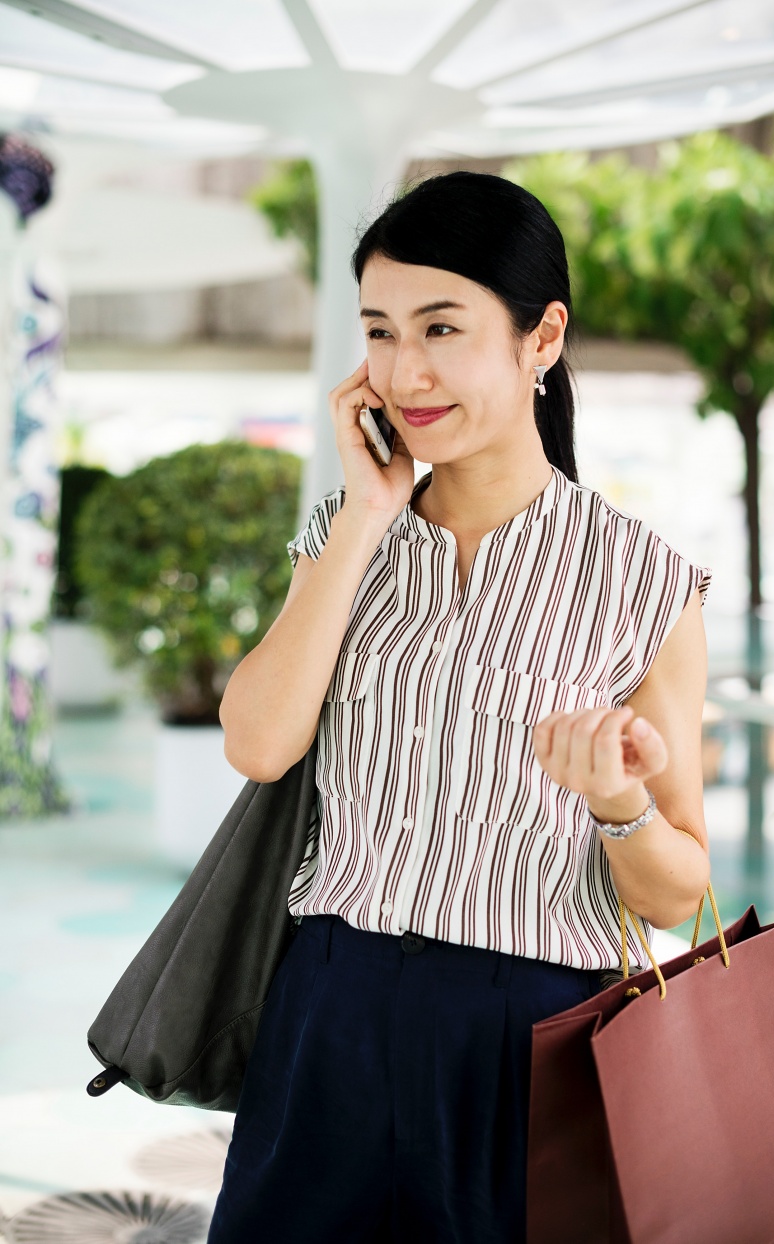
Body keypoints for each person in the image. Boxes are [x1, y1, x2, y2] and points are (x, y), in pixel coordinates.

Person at [208, 171, 712, 1244]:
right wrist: (360, 516)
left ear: (541, 338)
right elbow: (255, 744)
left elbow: (678, 893)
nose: (403, 371)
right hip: (327, 1008)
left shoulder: (642, 581)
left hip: (528, 1034)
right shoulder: (346, 538)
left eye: (441, 327)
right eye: (379, 331)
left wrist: (615, 798)